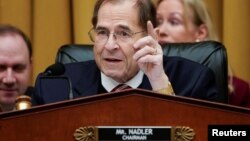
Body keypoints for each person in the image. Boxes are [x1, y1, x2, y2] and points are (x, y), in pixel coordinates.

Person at [33, 0, 217, 105]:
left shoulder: (194, 81)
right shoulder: (55, 87)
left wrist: (159, 83)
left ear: (153, 37)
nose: (110, 45)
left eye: (124, 34)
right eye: (102, 33)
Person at [155, 0, 250, 107]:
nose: (161, 30)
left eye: (174, 22)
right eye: (158, 21)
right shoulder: (144, 78)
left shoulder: (239, 91)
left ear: (201, 33)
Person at [0, 24, 33, 112]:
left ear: (30, 66)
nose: (9, 80)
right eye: (1, 68)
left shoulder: (49, 110)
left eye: (18, 68)